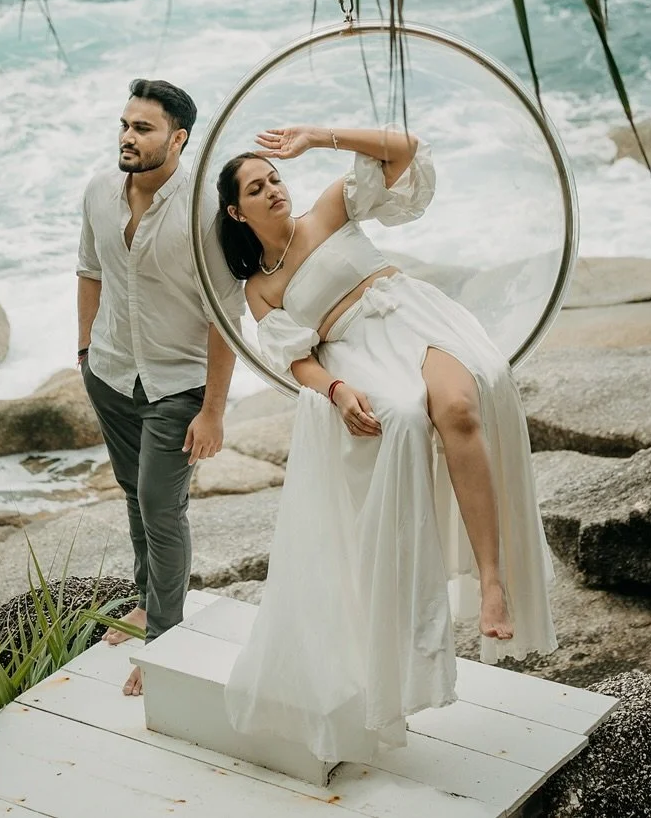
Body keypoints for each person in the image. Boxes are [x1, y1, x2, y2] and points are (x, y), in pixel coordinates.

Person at [215, 123, 556, 764]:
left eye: (274, 177)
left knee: (460, 405)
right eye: (257, 188)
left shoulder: (327, 209)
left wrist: (316, 139)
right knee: (405, 417)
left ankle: (492, 579)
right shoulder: (257, 289)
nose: (273, 190)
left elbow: (402, 148)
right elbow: (299, 363)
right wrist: (337, 389)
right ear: (237, 211)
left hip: (412, 314)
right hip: (356, 349)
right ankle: (420, 609)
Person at [76, 78, 244, 698]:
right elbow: (88, 270)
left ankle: (165, 641)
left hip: (179, 384)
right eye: (124, 124)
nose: (126, 136)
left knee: (161, 509)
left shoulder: (203, 208)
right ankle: (148, 602)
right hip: (114, 372)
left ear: (177, 138)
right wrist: (85, 352)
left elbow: (225, 315)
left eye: (142, 128)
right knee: (132, 494)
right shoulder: (99, 191)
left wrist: (215, 413)